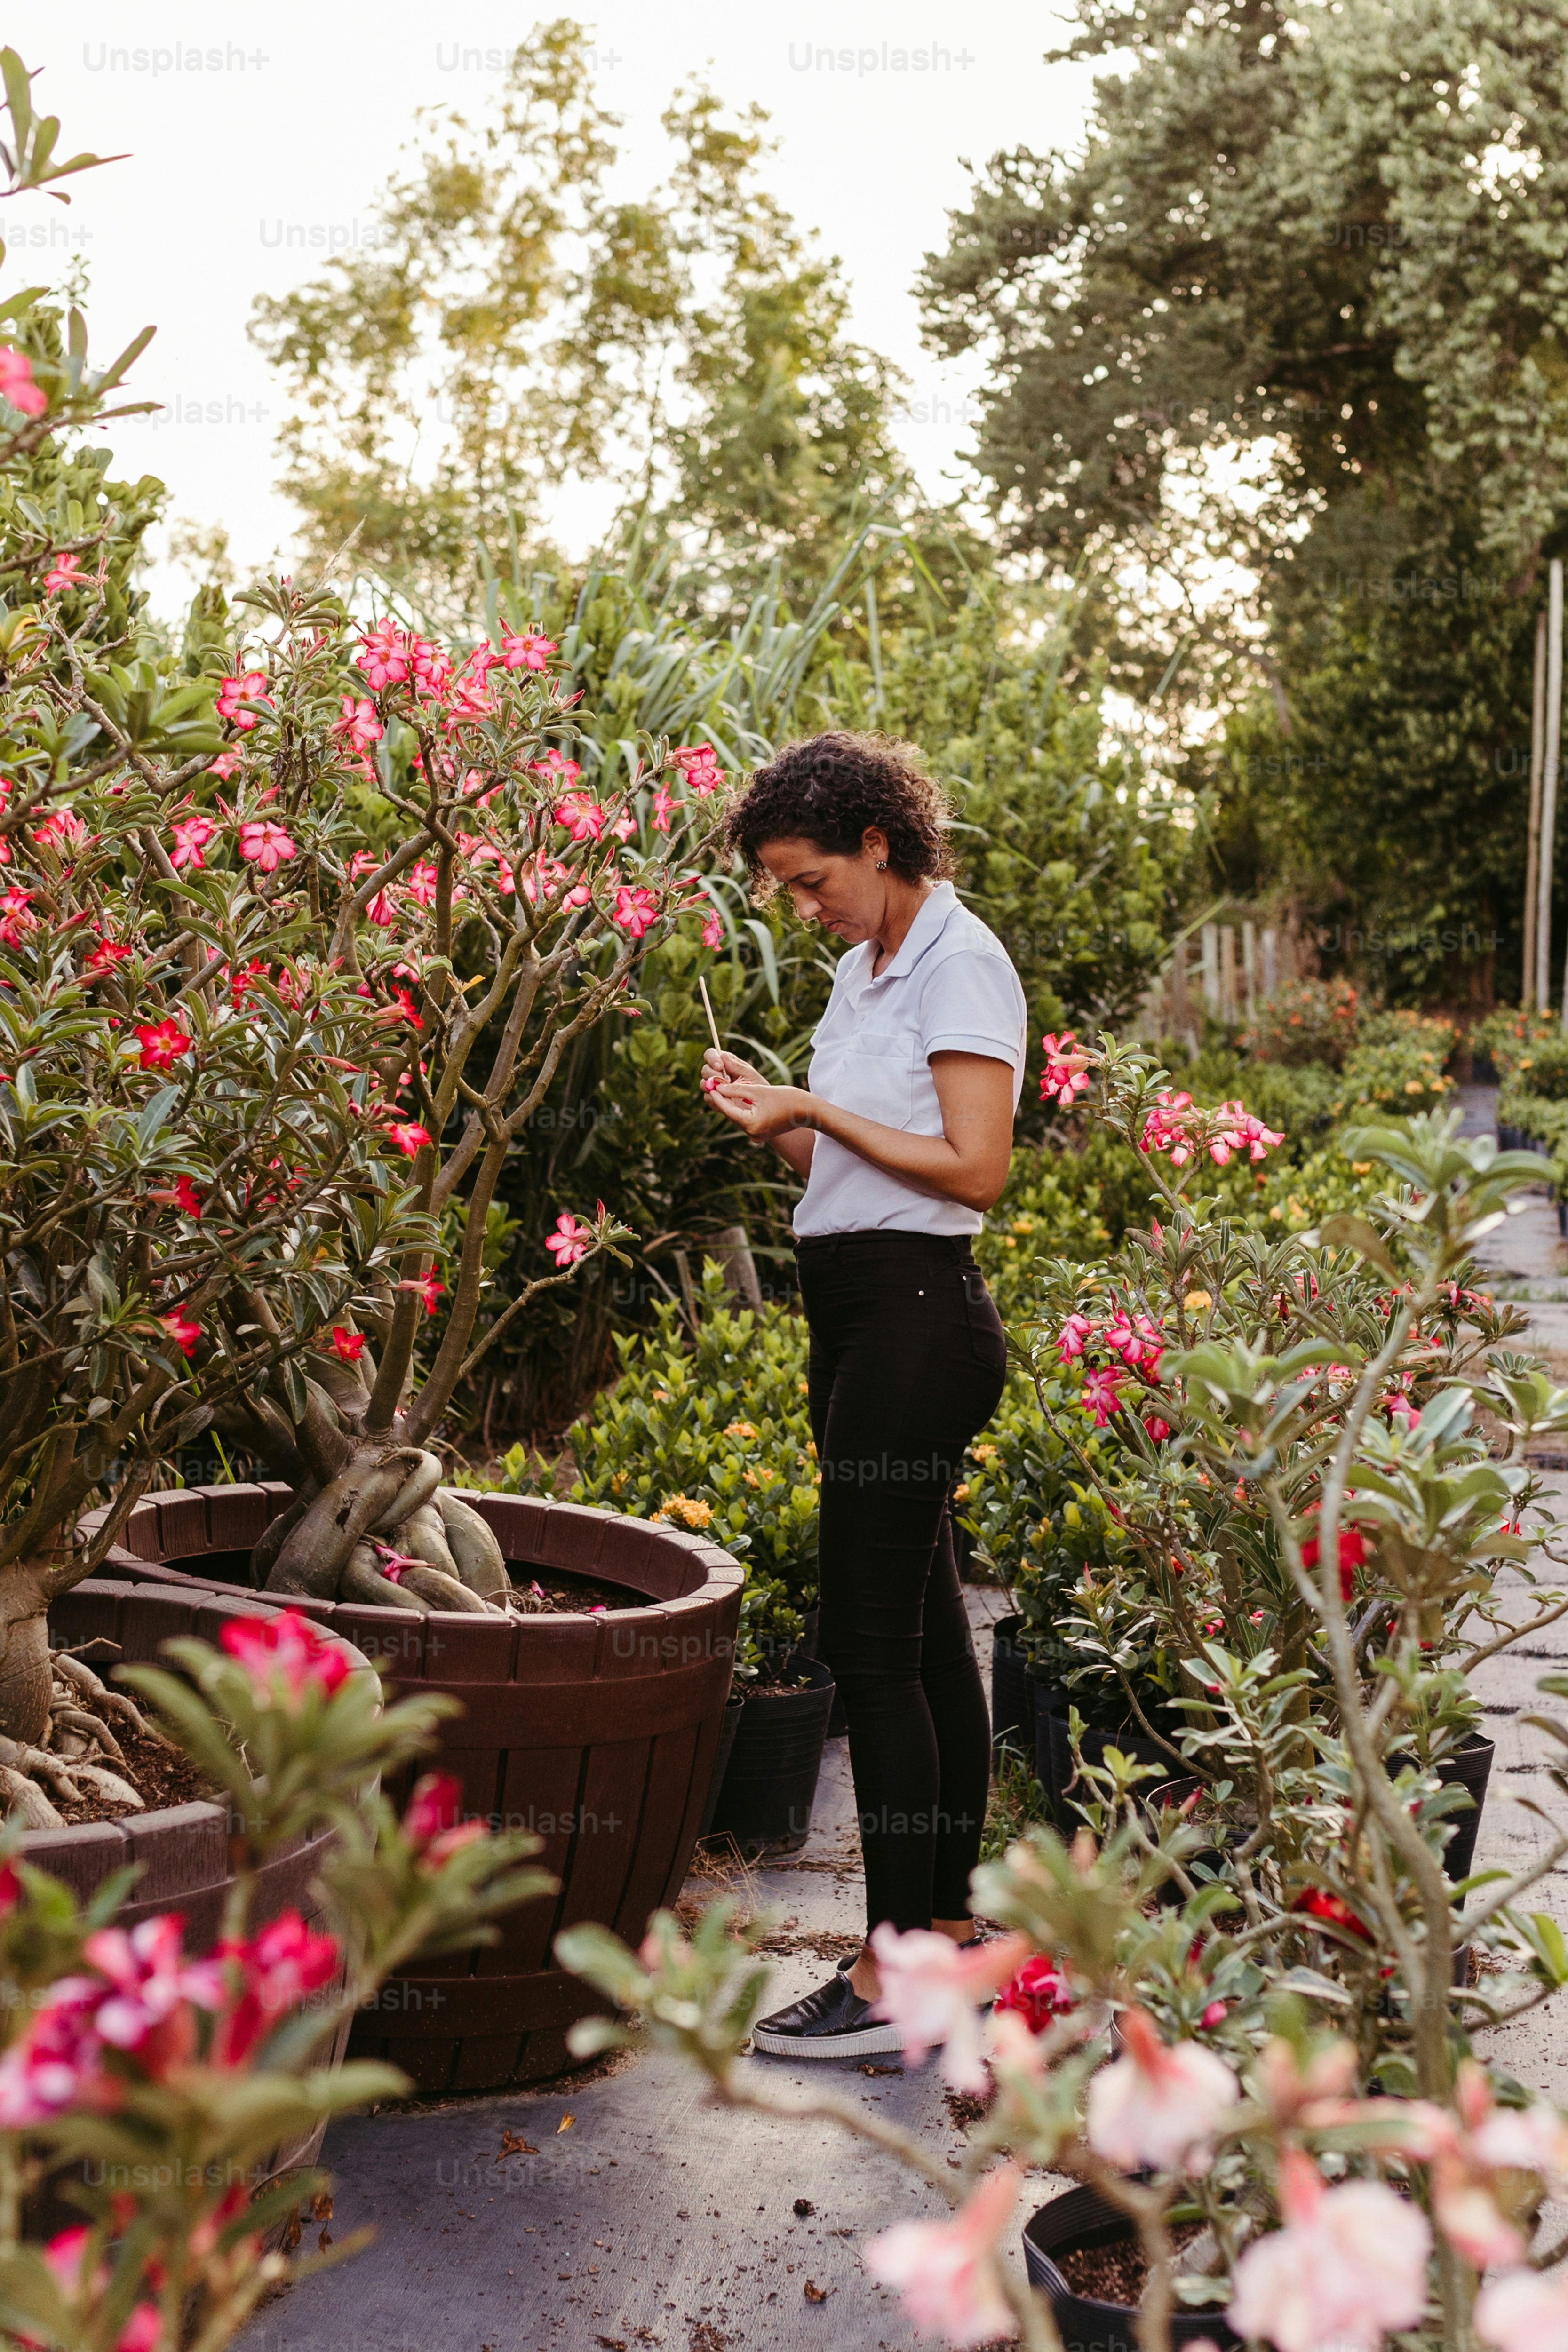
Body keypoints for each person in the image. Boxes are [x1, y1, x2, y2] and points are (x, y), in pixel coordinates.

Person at [700, 730, 1026, 2058]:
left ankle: (894, 1980)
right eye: (783, 887)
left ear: (878, 846)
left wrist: (821, 1116)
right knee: (928, 1633)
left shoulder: (965, 960)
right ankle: (946, 1941)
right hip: (852, 1309)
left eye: (808, 878)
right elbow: (843, 1179)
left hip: (915, 1320)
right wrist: (780, 1124)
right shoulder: (861, 970)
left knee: (868, 1654)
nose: (802, 905)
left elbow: (973, 1170)